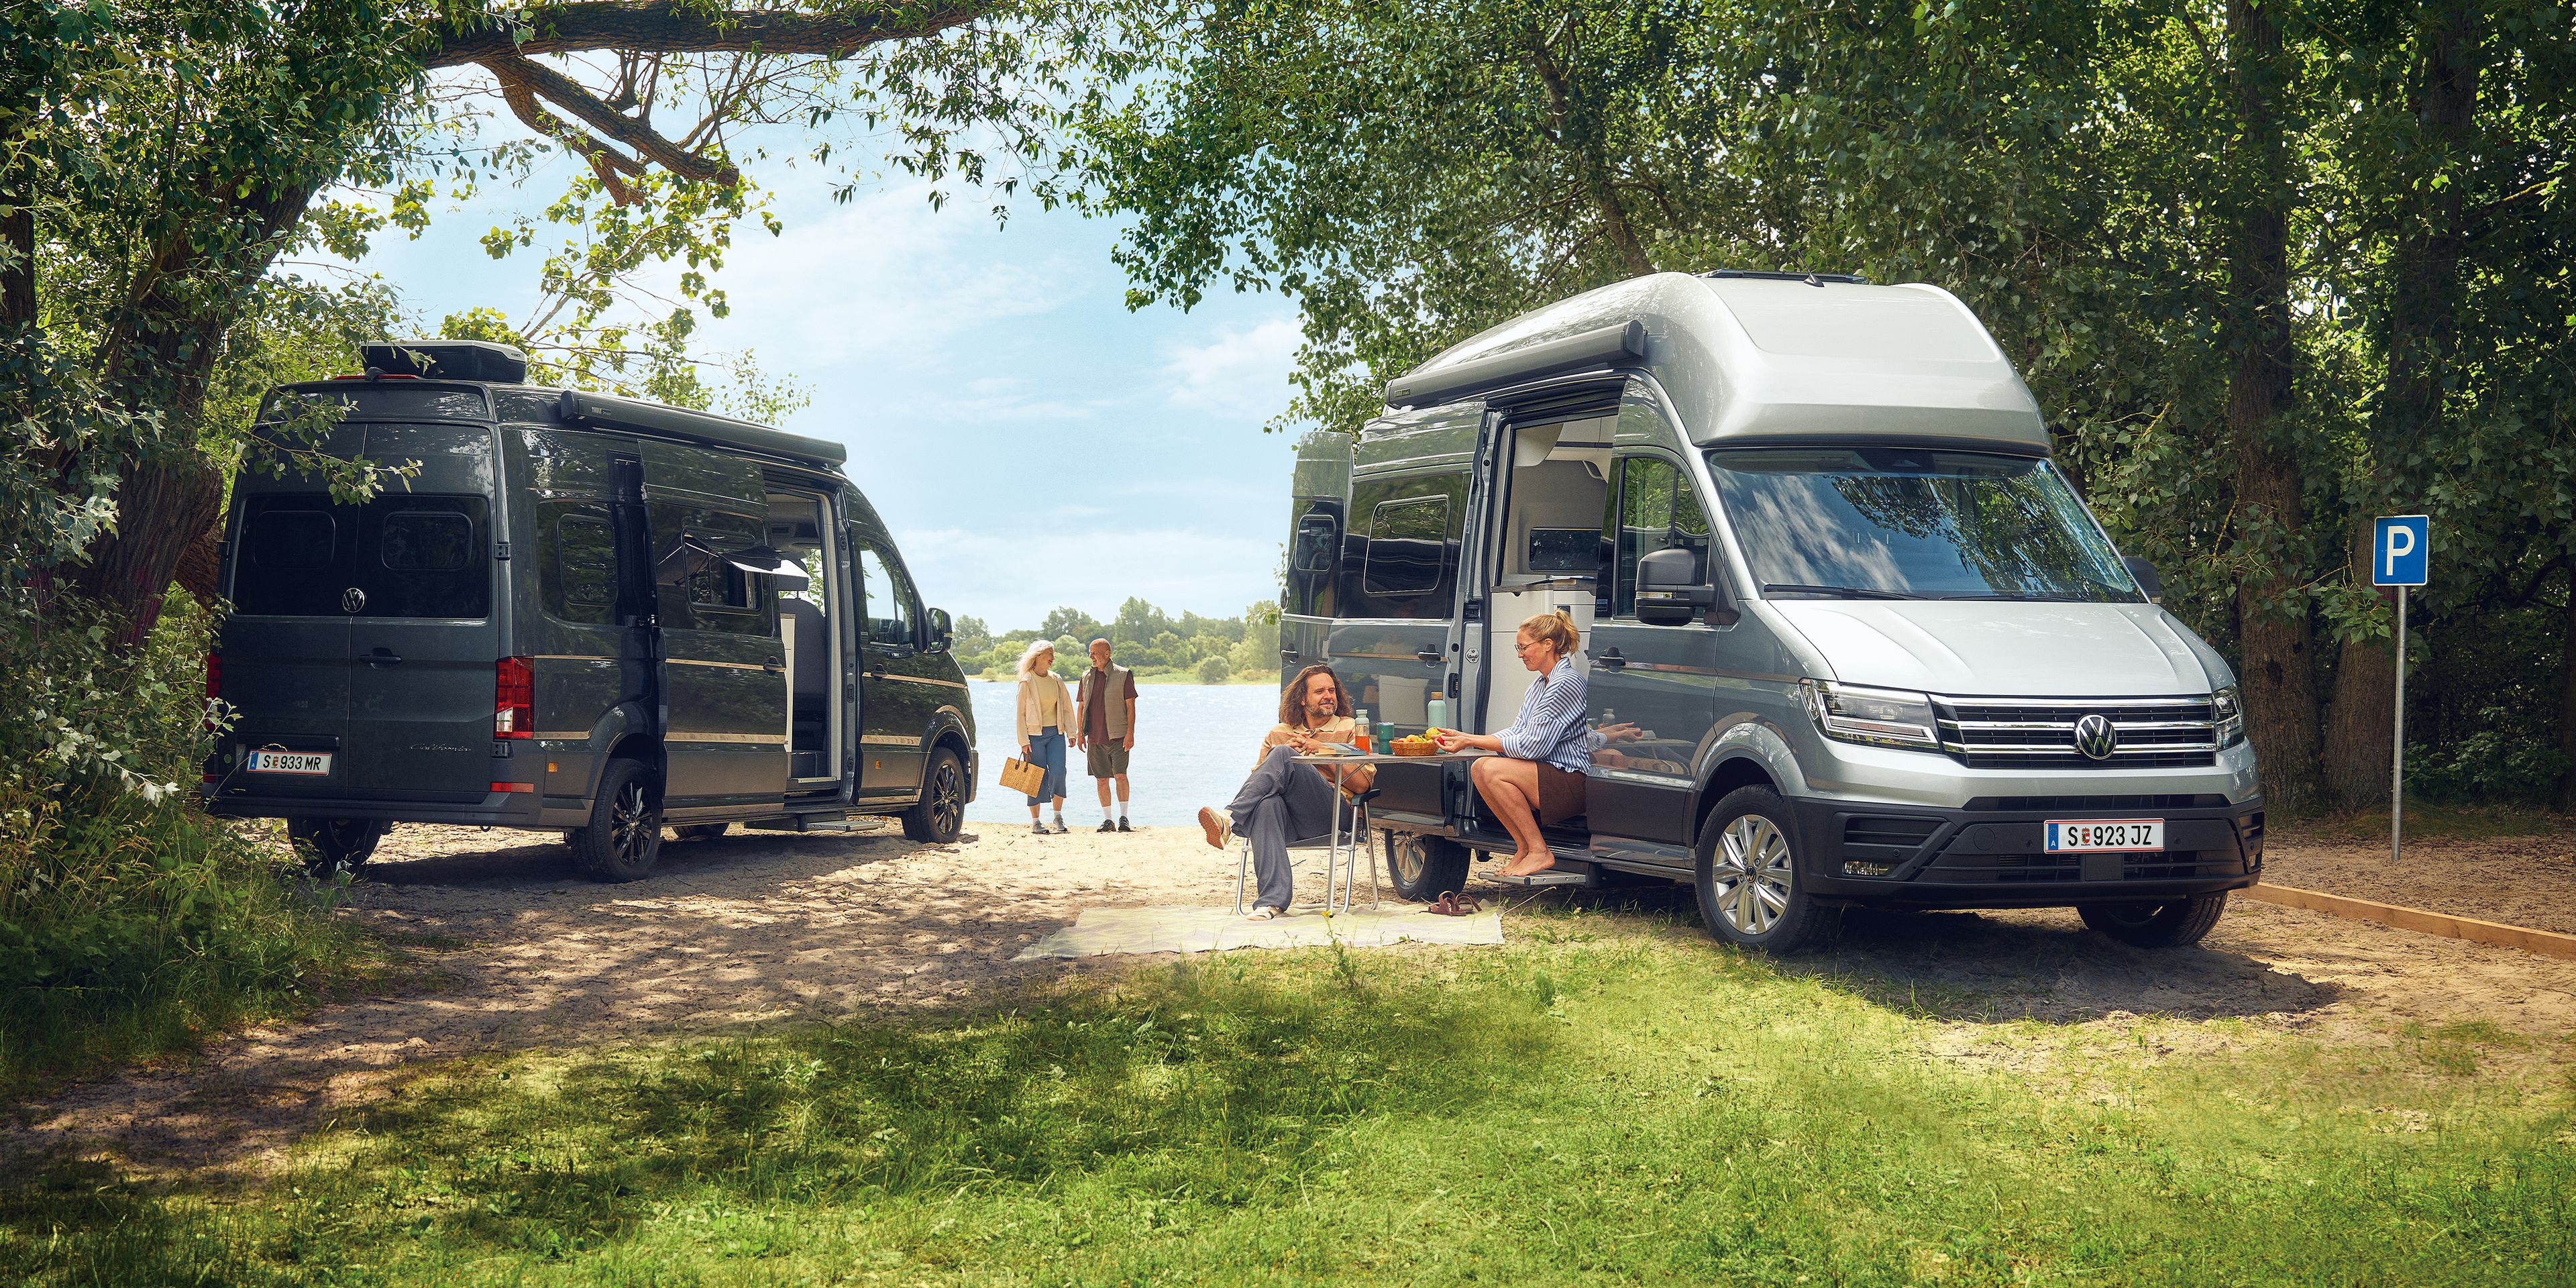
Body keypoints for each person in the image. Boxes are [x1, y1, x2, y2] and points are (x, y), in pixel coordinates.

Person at [1195, 663, 1375, 920]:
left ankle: (1230, 819)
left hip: (1333, 815)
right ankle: (1271, 903)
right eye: (1320, 692)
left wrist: (1319, 751)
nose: (1328, 696)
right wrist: (1286, 755)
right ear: (1302, 699)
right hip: (1288, 822)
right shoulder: (1279, 732)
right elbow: (1257, 785)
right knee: (1266, 803)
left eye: (1332, 690)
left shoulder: (1351, 727)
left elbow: (1362, 785)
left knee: (1283, 754)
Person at [1432, 612, 1587, 877]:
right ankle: (1525, 848)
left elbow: (1533, 747)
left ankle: (1539, 850)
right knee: (1479, 768)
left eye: (1524, 647)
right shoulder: (1539, 685)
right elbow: (1518, 731)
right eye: (1519, 648)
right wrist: (1466, 738)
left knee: (1492, 770)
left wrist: (1471, 740)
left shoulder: (1565, 683)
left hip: (1572, 780)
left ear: (1547, 645)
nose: (1520, 654)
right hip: (1550, 774)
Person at [1075, 637, 1139, 832]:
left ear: (1107, 654)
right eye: (1090, 653)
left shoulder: (1123, 675)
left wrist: (1130, 733)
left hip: (1118, 737)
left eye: (1094, 653)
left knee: (1121, 776)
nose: (1091, 657)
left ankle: (1124, 818)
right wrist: (1080, 733)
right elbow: (1081, 706)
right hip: (1095, 738)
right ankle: (1108, 820)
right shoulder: (1086, 677)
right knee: (1101, 780)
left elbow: (1131, 706)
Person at [1014, 641, 1076, 834]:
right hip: (1034, 737)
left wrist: (1071, 732)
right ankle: (1036, 822)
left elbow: (1066, 706)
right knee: (1035, 777)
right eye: (1050, 654)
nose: (1053, 658)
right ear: (1038, 656)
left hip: (1056, 734)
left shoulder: (1056, 679)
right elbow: (1020, 714)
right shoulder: (1026, 681)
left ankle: (1058, 818)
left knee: (1058, 773)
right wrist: (1023, 741)